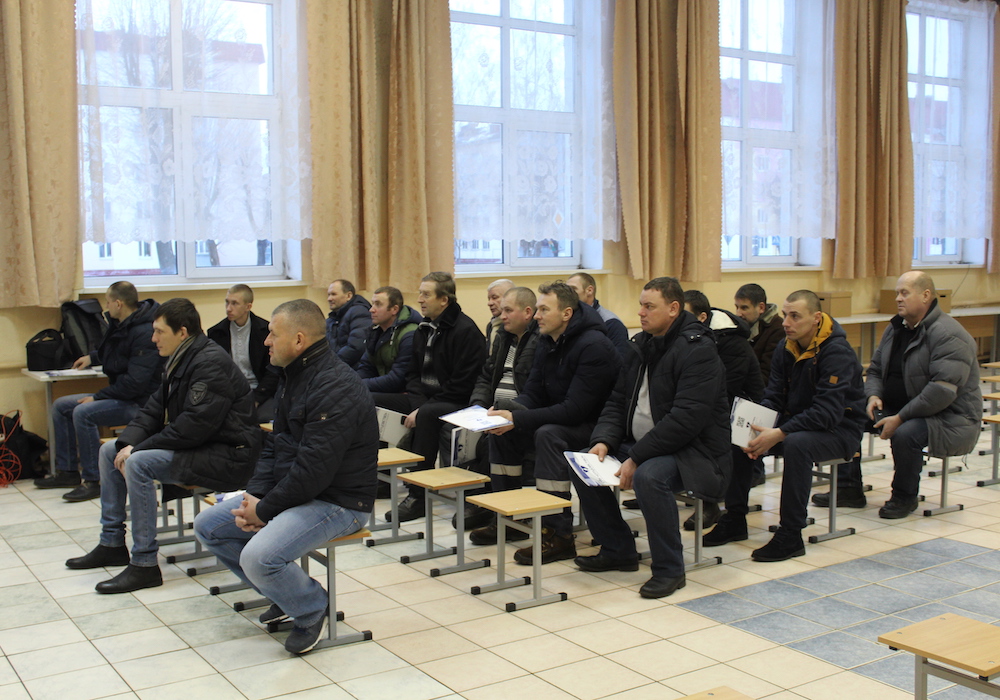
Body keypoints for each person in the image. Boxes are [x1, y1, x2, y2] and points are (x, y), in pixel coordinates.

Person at [195, 299, 378, 655]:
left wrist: (264, 511)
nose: (266, 342)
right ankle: (284, 595)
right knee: (210, 526)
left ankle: (311, 608)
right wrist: (254, 496)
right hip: (301, 492)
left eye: (272, 335)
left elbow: (314, 471)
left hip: (339, 502)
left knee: (258, 557)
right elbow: (275, 445)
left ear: (298, 340)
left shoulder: (334, 385)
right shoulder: (295, 375)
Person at [65, 298, 261, 594]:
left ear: (182, 332)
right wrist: (128, 442)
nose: (153, 338)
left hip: (229, 455)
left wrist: (138, 450)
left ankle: (144, 564)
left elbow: (194, 426)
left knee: (138, 462)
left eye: (159, 332)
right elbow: (152, 409)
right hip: (202, 448)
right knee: (110, 451)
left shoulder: (209, 362)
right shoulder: (180, 357)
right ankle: (111, 543)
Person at [573, 277, 731, 598]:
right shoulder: (641, 344)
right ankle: (618, 549)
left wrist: (636, 457)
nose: (641, 313)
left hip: (694, 451)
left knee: (649, 477)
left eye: (649, 307)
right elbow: (618, 401)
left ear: (673, 309)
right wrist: (604, 440)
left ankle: (670, 568)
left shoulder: (698, 350)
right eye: (641, 306)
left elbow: (685, 421)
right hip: (646, 444)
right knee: (584, 463)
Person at [482, 281, 619, 563]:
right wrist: (509, 412)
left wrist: (518, 418)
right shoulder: (548, 340)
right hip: (565, 418)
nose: (537, 316)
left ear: (566, 313)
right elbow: (534, 393)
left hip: (598, 427)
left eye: (544, 310)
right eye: (537, 309)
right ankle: (510, 518)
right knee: (501, 430)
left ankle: (557, 534)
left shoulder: (593, 345)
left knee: (548, 435)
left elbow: (575, 410)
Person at [744, 290, 866, 562]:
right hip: (799, 423)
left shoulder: (837, 352)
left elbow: (826, 413)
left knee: (797, 445)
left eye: (795, 316)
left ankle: (791, 535)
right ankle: (734, 517)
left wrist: (780, 433)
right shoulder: (785, 347)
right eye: (785, 315)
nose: (786, 322)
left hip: (840, 429)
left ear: (816, 318)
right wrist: (758, 426)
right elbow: (773, 396)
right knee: (743, 436)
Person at [865, 271, 982, 518]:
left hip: (948, 416)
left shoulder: (949, 334)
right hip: (903, 407)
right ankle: (847, 487)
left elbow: (941, 392)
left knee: (906, 433)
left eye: (904, 293)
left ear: (926, 295)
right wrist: (873, 396)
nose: (898, 298)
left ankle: (904, 498)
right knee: (847, 414)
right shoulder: (895, 328)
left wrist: (900, 418)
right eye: (897, 293)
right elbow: (875, 369)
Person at [372, 272, 486, 522]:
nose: (420, 299)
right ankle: (380, 478)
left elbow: (463, 384)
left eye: (426, 294)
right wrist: (419, 405)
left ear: (444, 300)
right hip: (425, 400)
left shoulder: (466, 331)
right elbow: (413, 375)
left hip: (457, 401)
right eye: (420, 293)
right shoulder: (423, 328)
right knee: (371, 400)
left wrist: (423, 409)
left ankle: (418, 496)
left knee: (428, 415)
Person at [35, 281, 163, 502]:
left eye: (108, 301)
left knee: (83, 413)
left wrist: (97, 397)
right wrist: (92, 358)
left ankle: (93, 480)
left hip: (141, 403)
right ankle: (67, 472)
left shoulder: (144, 332)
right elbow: (114, 352)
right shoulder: (121, 323)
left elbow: (135, 383)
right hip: (123, 396)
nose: (106, 306)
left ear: (118, 303)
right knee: (60, 406)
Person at [683, 290, 764, 539]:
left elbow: (724, 388)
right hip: (716, 406)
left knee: (707, 433)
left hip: (745, 411)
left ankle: (718, 507)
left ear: (702, 317)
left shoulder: (731, 341)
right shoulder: (692, 337)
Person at [463, 286, 540, 539]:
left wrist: (509, 413)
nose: (502, 315)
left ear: (527, 312)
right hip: (495, 411)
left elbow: (535, 391)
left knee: (497, 437)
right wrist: (477, 405)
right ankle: (490, 507)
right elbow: (486, 376)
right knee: (461, 430)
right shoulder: (503, 337)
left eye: (508, 310)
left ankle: (504, 513)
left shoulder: (539, 341)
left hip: (521, 413)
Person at [734, 283, 785, 486]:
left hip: (768, 393)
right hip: (750, 388)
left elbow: (767, 374)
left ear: (761, 308)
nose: (739, 313)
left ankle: (755, 469)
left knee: (743, 408)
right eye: (737, 307)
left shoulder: (777, 330)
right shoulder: (743, 328)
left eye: (744, 308)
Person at [207, 284, 279, 422]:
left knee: (266, 418)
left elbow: (273, 371)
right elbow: (214, 371)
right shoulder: (216, 333)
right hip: (229, 393)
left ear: (248, 306)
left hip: (259, 391)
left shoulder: (265, 331)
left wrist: (256, 399)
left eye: (234, 303)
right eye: (227, 302)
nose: (229, 308)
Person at [355, 286, 422, 394]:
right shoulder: (375, 330)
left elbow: (398, 380)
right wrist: (354, 383)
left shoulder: (409, 335)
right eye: (372, 304)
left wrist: (358, 385)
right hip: (385, 388)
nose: (371, 310)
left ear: (394, 309)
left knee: (361, 398)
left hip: (407, 393)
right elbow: (366, 366)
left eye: (378, 304)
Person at [568, 272, 629, 358]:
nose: (568, 295)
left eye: (573, 289)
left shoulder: (611, 323)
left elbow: (620, 361)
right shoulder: (567, 318)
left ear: (589, 290)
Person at [325, 279, 370, 368]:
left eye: (333, 294)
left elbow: (356, 348)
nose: (329, 299)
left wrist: (331, 366)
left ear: (348, 296)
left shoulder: (359, 312)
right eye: (328, 295)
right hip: (338, 367)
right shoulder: (332, 318)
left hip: (354, 369)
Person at [484, 279, 515, 355]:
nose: (489, 303)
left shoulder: (515, 326)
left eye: (494, 297)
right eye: (489, 299)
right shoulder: (491, 326)